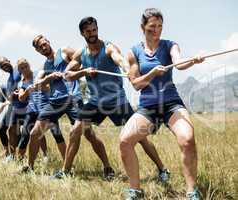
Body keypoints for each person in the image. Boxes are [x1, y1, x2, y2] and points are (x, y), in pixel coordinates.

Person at [63, 16, 168, 182]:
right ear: (82, 33)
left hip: (116, 101)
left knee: (140, 136)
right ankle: (66, 171)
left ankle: (162, 169)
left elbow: (120, 60)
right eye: (88, 31)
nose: (92, 34)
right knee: (75, 131)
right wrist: (83, 72)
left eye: (94, 30)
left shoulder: (108, 47)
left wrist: (128, 70)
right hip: (94, 102)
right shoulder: (81, 53)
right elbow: (67, 75)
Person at [119, 8, 204, 200]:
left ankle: (192, 192)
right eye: (152, 28)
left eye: (159, 27)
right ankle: (135, 190)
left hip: (171, 103)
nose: (156, 31)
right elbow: (136, 84)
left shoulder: (169, 45)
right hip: (148, 107)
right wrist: (151, 74)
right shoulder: (134, 52)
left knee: (187, 139)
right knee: (125, 141)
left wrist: (193, 61)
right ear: (143, 28)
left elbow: (179, 62)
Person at [26, 34, 115, 179]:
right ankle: (30, 167)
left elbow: (83, 61)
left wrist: (73, 73)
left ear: (48, 41)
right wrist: (49, 77)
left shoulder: (64, 51)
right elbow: (37, 84)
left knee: (89, 135)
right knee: (35, 133)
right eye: (40, 47)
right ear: (38, 51)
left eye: (44, 44)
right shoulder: (44, 66)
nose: (44, 47)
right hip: (55, 102)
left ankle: (107, 167)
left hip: (74, 99)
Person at [17, 58, 66, 162]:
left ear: (29, 65)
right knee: (25, 135)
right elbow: (21, 98)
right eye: (22, 68)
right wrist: (27, 91)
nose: (25, 69)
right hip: (31, 111)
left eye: (26, 66)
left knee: (57, 134)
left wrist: (38, 87)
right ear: (19, 70)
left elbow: (49, 87)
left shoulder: (38, 75)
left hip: (46, 108)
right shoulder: (22, 83)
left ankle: (67, 163)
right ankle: (19, 161)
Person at [0, 57, 28, 162]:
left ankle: (17, 155)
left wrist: (20, 90)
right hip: (13, 107)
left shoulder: (17, 70)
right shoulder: (9, 78)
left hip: (24, 105)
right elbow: (8, 96)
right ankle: (12, 155)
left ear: (9, 61)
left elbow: (25, 79)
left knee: (28, 131)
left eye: (5, 64)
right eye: (2, 66)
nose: (4, 67)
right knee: (9, 130)